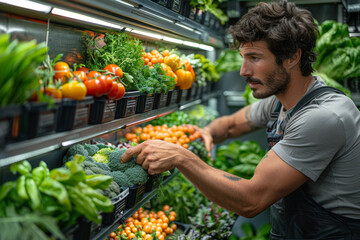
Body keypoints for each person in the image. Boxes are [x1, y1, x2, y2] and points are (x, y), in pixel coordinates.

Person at [121, 1, 360, 238]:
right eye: (244, 57)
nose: (243, 71)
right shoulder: (281, 101)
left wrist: (182, 158)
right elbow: (231, 125)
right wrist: (207, 133)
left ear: (292, 57)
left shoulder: (323, 116)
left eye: (254, 57)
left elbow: (251, 200)